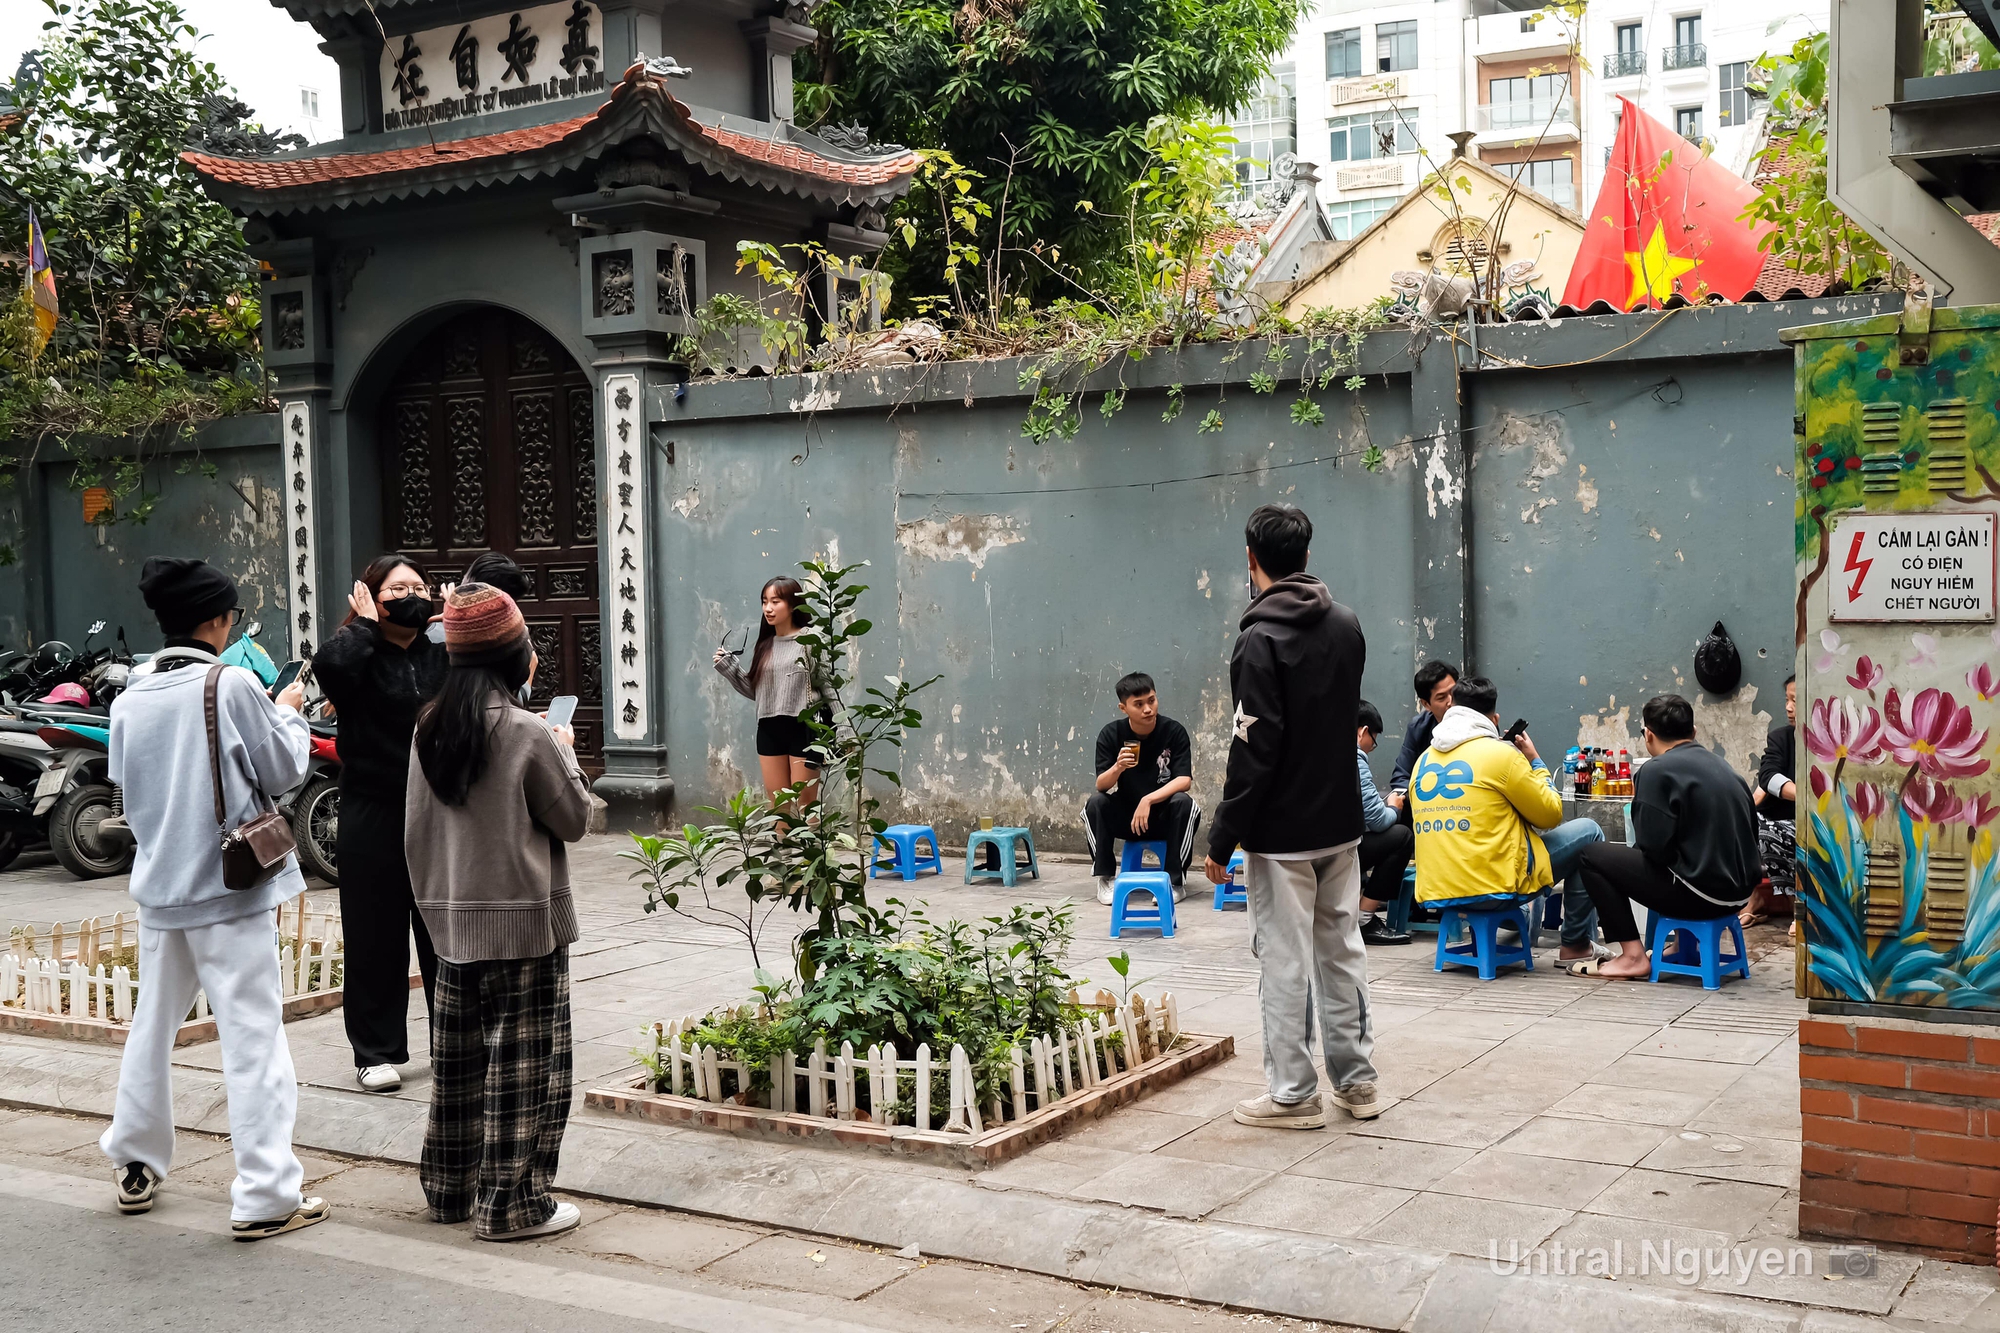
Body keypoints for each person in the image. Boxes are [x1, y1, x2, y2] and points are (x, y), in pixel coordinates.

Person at [101, 557, 328, 1240]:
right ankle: (264, 1193)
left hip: (161, 890)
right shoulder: (230, 685)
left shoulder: (130, 695)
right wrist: (287, 711)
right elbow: (285, 768)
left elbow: (130, 786)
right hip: (229, 891)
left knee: (152, 1025)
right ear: (220, 620)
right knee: (254, 1038)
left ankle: (135, 1159)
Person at [406, 584, 594, 1241]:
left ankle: (451, 1190)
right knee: (525, 1072)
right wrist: (564, 747)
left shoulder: (429, 726)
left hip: (451, 922)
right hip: (522, 927)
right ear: (514, 655)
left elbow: (416, 828)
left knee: (456, 1068)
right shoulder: (527, 731)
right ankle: (511, 1206)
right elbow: (574, 819)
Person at [1203, 503, 1381, 1128]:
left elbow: (1255, 747)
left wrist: (1222, 835)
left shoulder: (1258, 639)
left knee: (1283, 959)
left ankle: (1293, 1094)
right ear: (1306, 556)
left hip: (1281, 834)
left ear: (1251, 560)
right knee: (1343, 950)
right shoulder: (1347, 624)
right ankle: (1358, 1085)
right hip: (1341, 822)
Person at [312, 554, 449, 1093]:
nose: (412, 594)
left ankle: (453, 1040)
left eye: (419, 586)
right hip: (373, 807)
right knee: (375, 933)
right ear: (369, 598)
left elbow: (506, 672)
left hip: (439, 809)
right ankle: (375, 1050)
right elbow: (331, 671)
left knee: (444, 931)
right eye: (398, 588)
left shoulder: (442, 652)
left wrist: (462, 619)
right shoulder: (356, 653)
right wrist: (365, 628)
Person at [1408, 677, 1611, 966]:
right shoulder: (1502, 755)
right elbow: (1550, 814)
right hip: (1492, 889)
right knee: (1589, 833)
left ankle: (1567, 938)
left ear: (1452, 709)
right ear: (1494, 717)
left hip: (1437, 891)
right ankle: (1575, 944)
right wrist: (1535, 761)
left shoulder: (1423, 760)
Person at [1572, 695, 1761, 979]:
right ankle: (1680, 945)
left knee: (1591, 855)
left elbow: (1653, 847)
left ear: (1648, 735)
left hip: (1701, 895)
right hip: (1740, 895)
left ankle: (1633, 957)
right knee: (1673, 859)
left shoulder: (1656, 770)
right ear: (1694, 732)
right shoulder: (1724, 767)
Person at [712, 576, 837, 806]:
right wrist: (731, 669)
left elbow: (829, 688)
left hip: (804, 729)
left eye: (775, 601)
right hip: (769, 729)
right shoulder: (765, 644)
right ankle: (781, 843)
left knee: (805, 804)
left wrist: (846, 730)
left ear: (793, 605)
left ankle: (808, 844)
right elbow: (760, 692)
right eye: (764, 601)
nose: (768, 608)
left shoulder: (810, 640)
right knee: (778, 804)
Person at [1083, 672, 1200, 904]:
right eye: (1139, 704)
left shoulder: (1173, 731)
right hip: (1128, 818)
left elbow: (1183, 780)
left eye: (1152, 700)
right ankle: (1105, 879)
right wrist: (1117, 768)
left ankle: (1174, 882)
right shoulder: (1111, 734)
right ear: (1123, 708)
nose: (1148, 709)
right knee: (1095, 804)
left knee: (1185, 804)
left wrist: (1148, 800)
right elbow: (1101, 785)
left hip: (1163, 816)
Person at [1355, 701, 1414, 946]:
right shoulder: (1355, 758)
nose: (1372, 747)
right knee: (1401, 836)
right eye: (1373, 739)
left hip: (1308, 845)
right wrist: (1392, 806)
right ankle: (1364, 919)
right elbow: (1378, 821)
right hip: (1338, 849)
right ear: (1362, 731)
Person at [1746, 674, 1797, 928]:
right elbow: (1768, 776)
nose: (1788, 707)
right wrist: (1805, 796)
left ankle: (1802, 907)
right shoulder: (1781, 738)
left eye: (1795, 701)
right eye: (1787, 700)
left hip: (1813, 822)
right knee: (1760, 828)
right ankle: (1754, 898)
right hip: (1777, 817)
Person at [1387, 660, 1459, 818]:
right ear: (1426, 704)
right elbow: (1401, 778)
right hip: (1430, 803)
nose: (1451, 702)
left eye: (1454, 692)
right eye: (1441, 698)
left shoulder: (1479, 720)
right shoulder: (1418, 727)